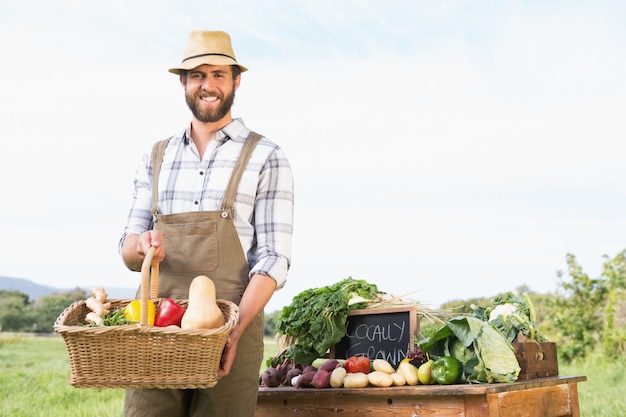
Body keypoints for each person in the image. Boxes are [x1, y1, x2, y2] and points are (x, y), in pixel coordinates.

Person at [118, 29, 294, 417]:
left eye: (218, 74)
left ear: (236, 81)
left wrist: (233, 331)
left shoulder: (266, 156)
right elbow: (128, 248)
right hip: (155, 327)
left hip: (232, 324)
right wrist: (142, 246)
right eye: (198, 75)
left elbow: (274, 256)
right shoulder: (156, 156)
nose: (208, 84)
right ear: (183, 82)